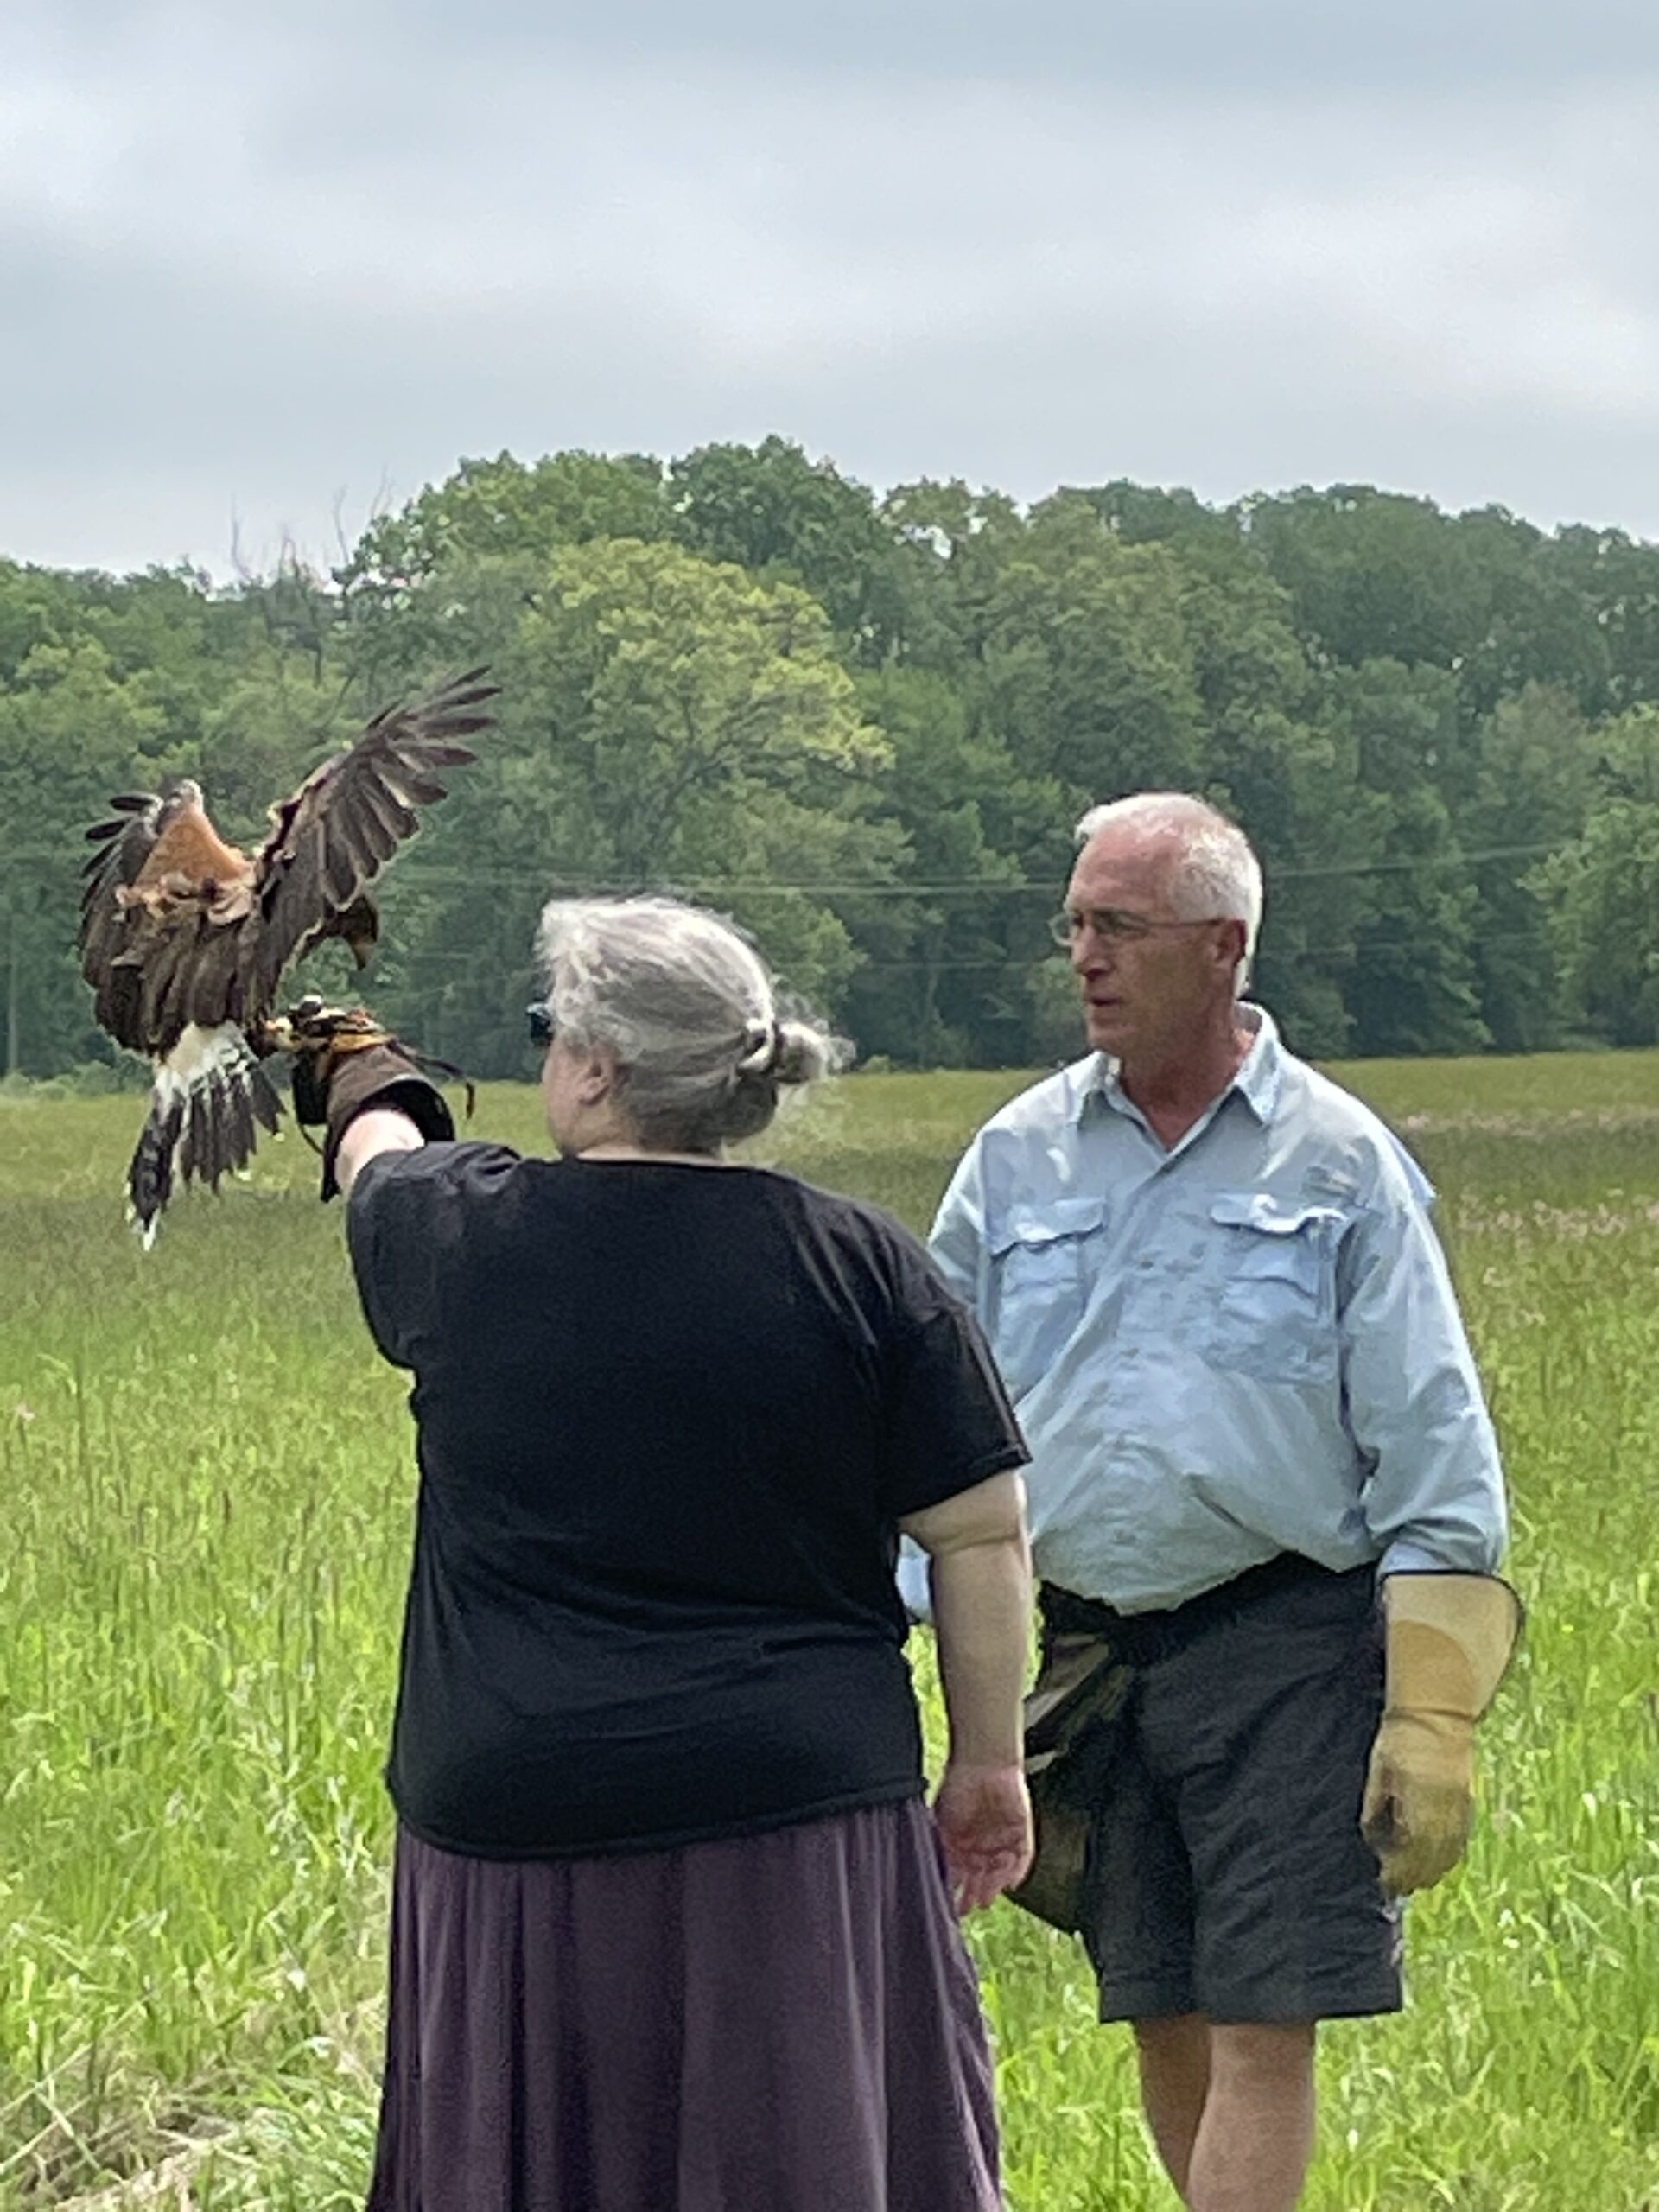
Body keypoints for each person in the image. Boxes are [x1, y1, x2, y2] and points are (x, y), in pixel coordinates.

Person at [288, 896, 1035, 2212]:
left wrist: (365, 1076)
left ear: (595, 1067)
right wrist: (989, 1765)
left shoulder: (464, 1236)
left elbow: (378, 1161)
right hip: (799, 1828)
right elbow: (978, 1530)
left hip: (520, 1832)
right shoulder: (862, 1264)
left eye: (550, 1032)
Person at [925, 794, 1518, 2212]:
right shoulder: (1016, 1158)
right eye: (1075, 925)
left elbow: (1431, 1437)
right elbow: (929, 1417)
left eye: (1119, 927)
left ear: (1224, 946)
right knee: (1165, 2001)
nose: (1085, 956)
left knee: (1266, 2013)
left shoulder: (1339, 1162)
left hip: (1287, 1643)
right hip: (1083, 1649)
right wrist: (912, 1628)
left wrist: (1433, 1715)